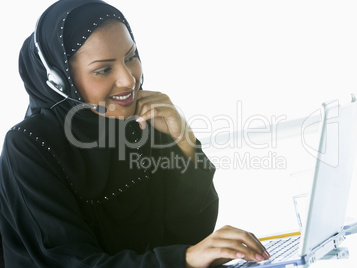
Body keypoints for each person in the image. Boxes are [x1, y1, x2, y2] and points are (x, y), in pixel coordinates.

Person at [0, 0, 270, 267]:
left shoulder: (141, 118)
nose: (128, 79)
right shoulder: (29, 145)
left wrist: (184, 143)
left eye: (131, 57)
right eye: (104, 69)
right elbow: (72, 262)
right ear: (60, 80)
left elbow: (191, 235)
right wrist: (185, 258)